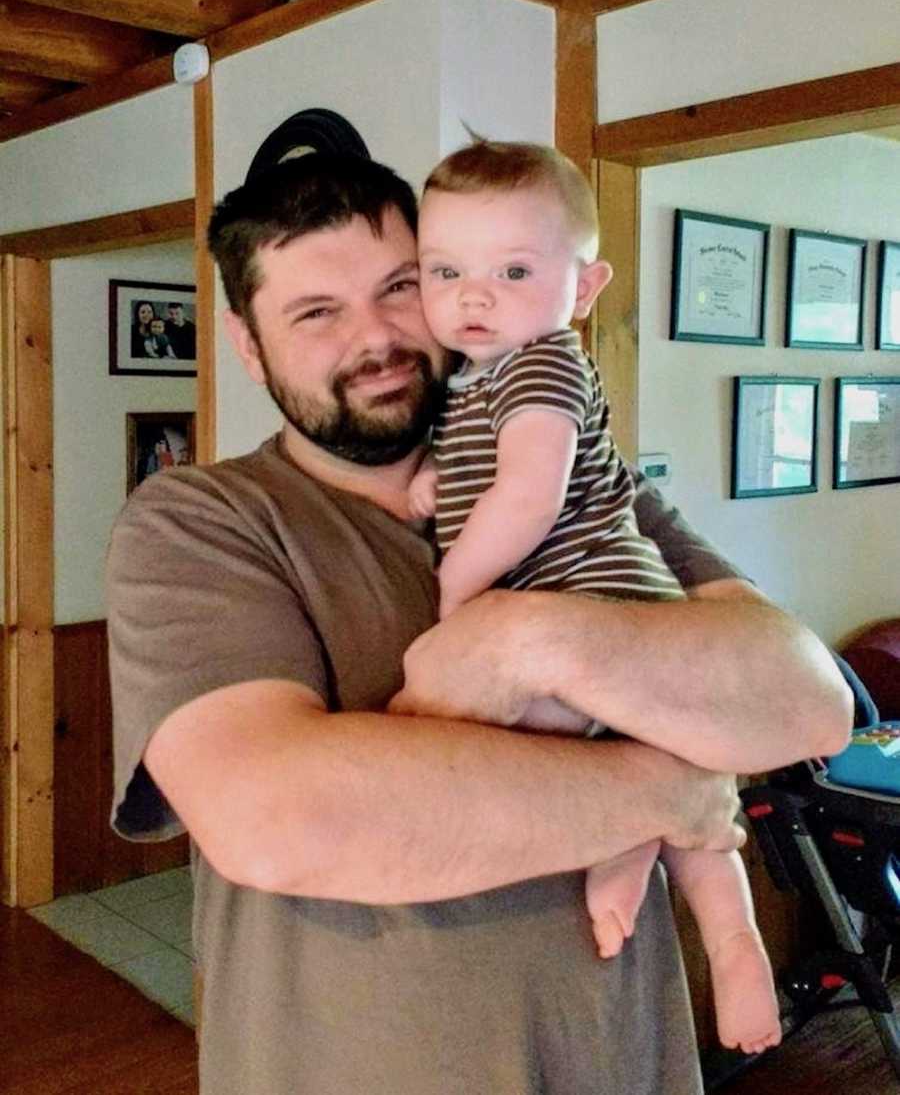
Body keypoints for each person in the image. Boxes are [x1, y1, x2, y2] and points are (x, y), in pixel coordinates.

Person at [106, 153, 852, 1095]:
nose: (376, 336)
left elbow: (808, 703)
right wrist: (667, 789)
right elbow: (281, 821)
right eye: (316, 312)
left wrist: (519, 639)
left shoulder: (583, 482)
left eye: (400, 287)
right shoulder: (203, 522)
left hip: (623, 1064)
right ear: (246, 343)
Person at [408, 139, 779, 1054]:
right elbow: (482, 468)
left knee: (529, 736)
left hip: (598, 591)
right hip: (593, 604)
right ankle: (729, 938)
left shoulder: (541, 364)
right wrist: (431, 484)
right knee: (663, 765)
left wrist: (455, 582)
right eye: (445, 270)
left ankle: (657, 872)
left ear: (582, 288)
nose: (474, 295)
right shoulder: (477, 381)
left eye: (514, 270)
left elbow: (531, 494)